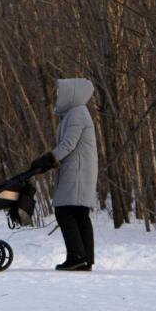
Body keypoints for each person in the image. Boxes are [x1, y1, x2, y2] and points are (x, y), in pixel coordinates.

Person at [30, 78, 98, 271]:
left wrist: (48, 159)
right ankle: (85, 259)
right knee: (79, 213)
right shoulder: (75, 113)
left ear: (72, 93)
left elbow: (69, 143)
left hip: (76, 171)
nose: (58, 96)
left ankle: (77, 257)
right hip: (78, 169)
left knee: (65, 211)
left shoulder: (77, 114)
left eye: (61, 93)